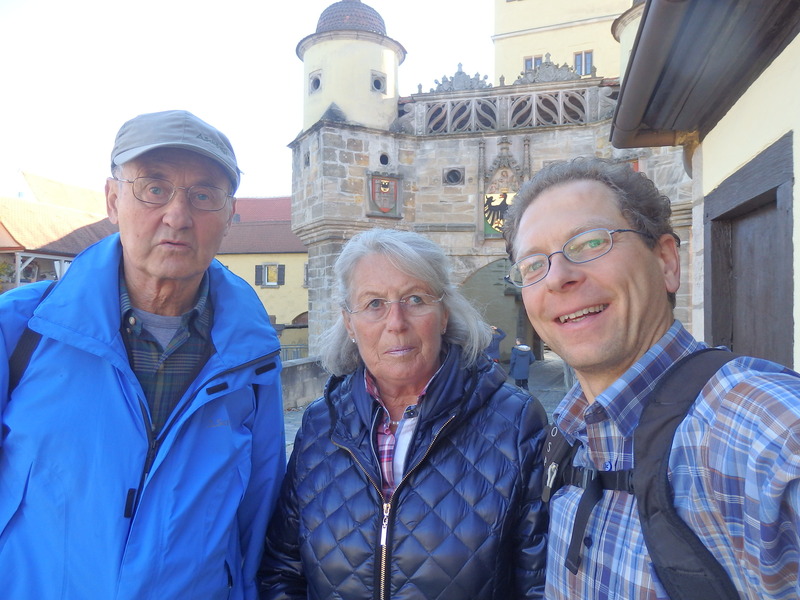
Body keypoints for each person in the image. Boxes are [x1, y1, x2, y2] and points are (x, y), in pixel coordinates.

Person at [0, 110, 286, 599]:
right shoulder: (19, 328)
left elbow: (258, 517)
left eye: (203, 195)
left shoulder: (253, 360)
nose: (177, 215)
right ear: (113, 200)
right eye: (154, 188)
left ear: (229, 216)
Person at [503, 156, 800, 599]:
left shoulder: (758, 427)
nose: (558, 278)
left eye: (588, 243)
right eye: (533, 265)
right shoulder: (566, 434)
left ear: (665, 262)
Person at [259, 228, 548, 599]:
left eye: (414, 298)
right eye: (374, 303)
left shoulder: (516, 422)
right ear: (350, 323)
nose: (395, 322)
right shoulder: (320, 424)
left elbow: (538, 584)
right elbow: (283, 570)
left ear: (443, 315)